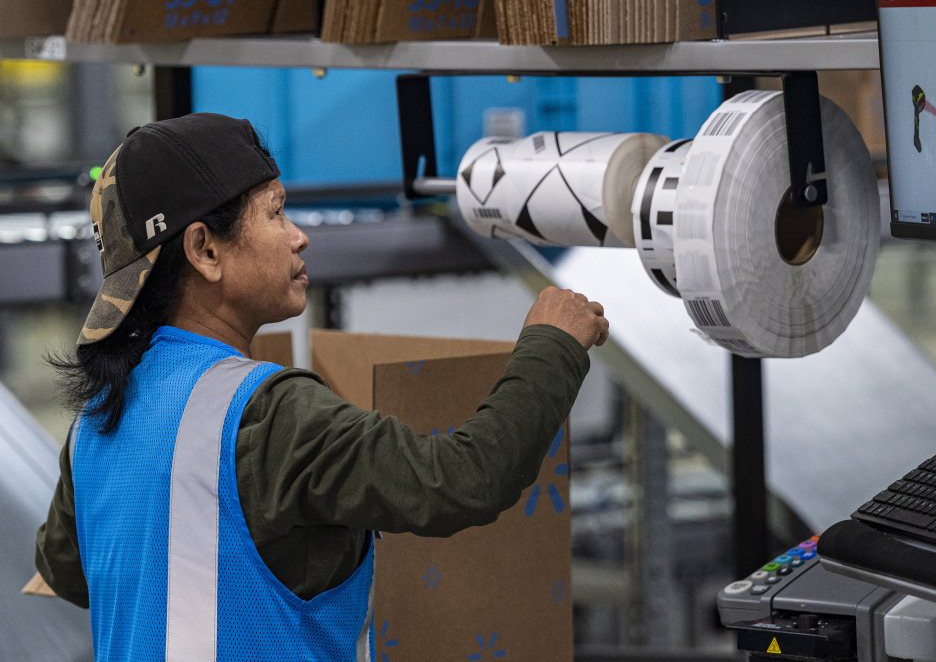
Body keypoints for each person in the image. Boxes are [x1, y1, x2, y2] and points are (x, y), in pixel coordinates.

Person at [34, 112, 609, 662]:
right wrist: (552, 345)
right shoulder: (272, 417)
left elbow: (64, 571)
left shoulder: (99, 417)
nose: (299, 236)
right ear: (205, 250)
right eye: (276, 213)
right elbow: (465, 479)